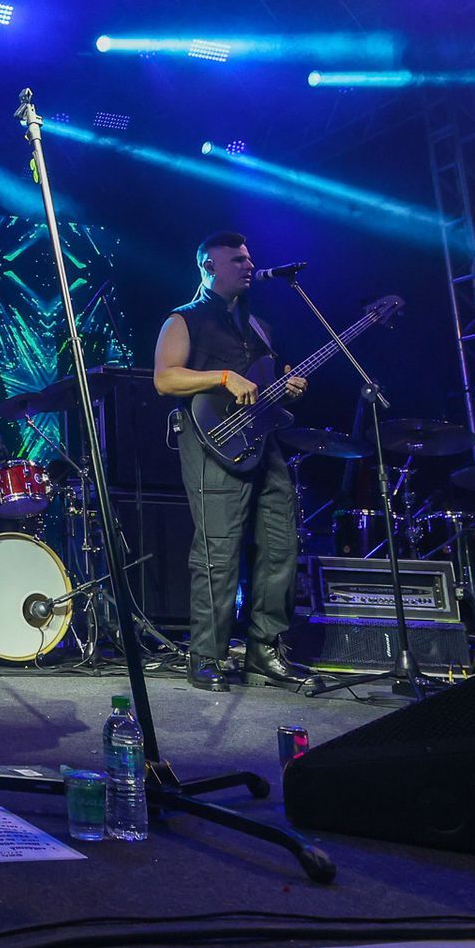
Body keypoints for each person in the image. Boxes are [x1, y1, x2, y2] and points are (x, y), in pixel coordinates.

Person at [153, 232, 310, 693]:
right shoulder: (184, 318)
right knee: (218, 551)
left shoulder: (258, 325)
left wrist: (287, 384)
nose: (249, 266)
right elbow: (165, 379)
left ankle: (265, 650)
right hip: (212, 442)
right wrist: (222, 376)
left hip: (262, 442)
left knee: (281, 543)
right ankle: (206, 655)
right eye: (237, 260)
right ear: (208, 266)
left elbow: (265, 381)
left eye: (249, 259)